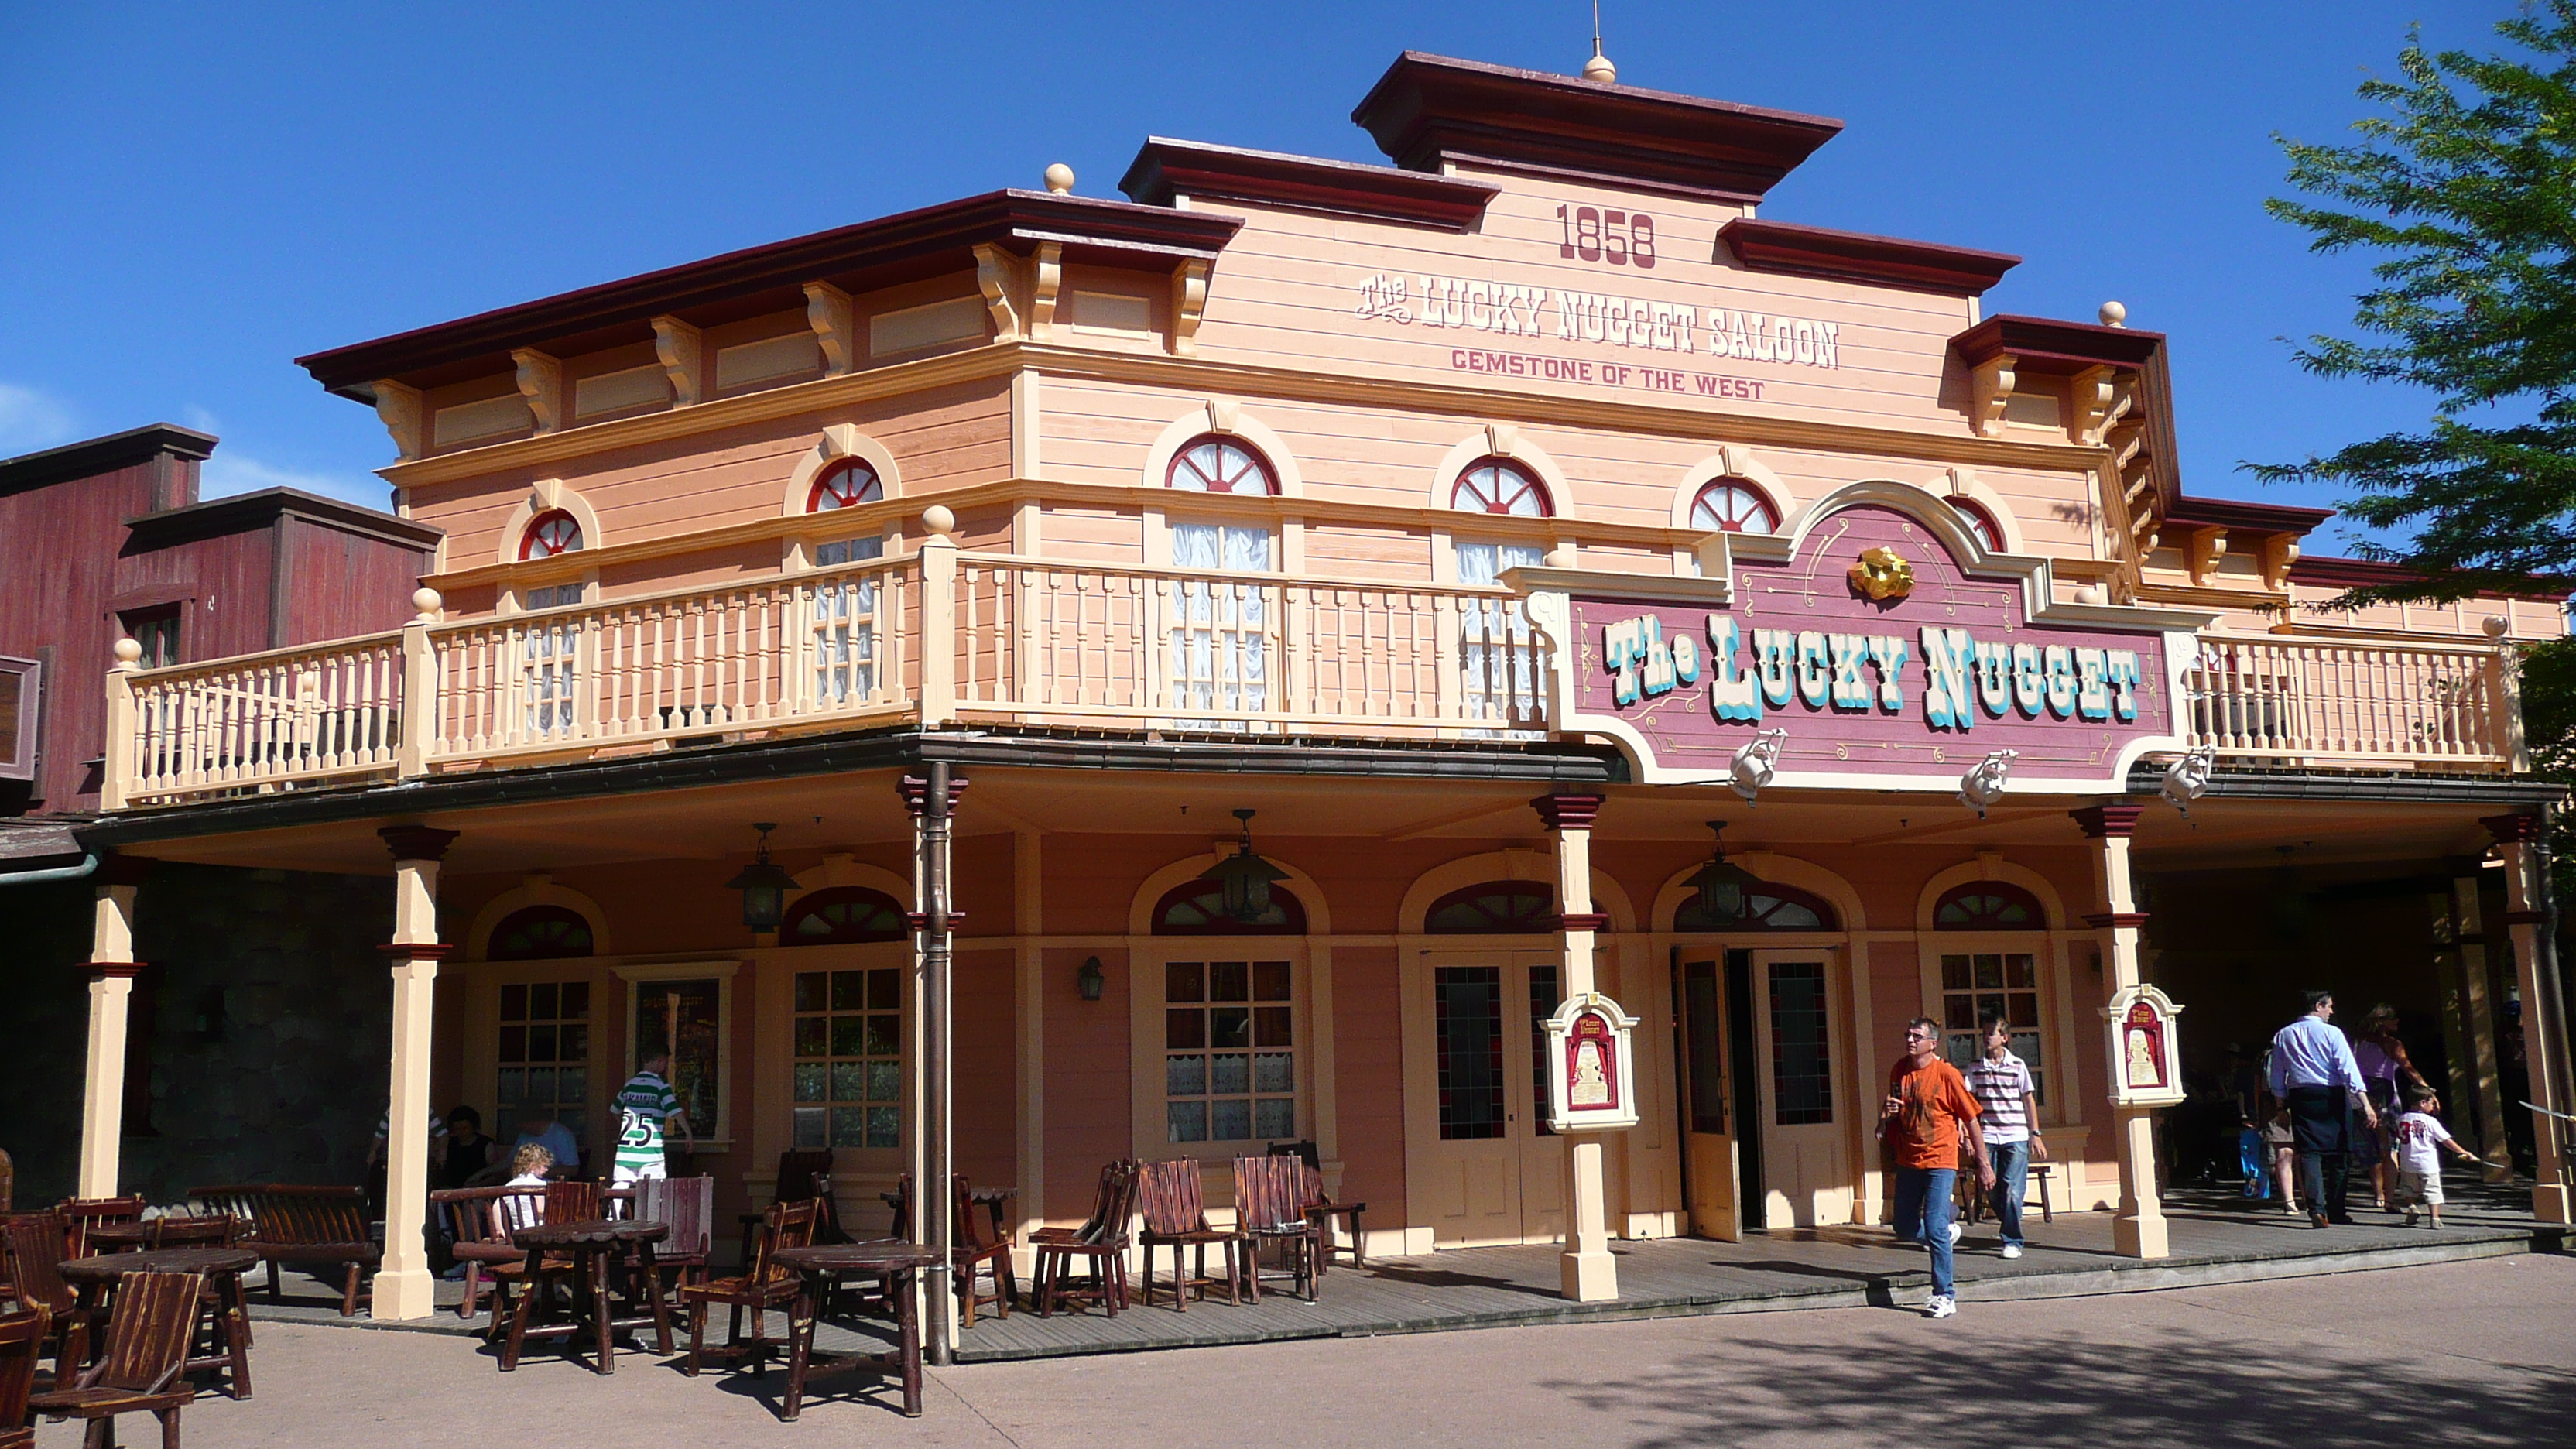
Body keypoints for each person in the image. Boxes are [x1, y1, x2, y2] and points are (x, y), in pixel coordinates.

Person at [1881, 1016, 1992, 1320]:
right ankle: (1947, 1227)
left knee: (1933, 1225)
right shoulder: (1899, 1070)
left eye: (1917, 1036)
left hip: (1940, 1158)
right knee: (1902, 1225)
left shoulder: (1947, 1074)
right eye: (1908, 1034)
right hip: (1908, 1158)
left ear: (1933, 1043)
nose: (1910, 1040)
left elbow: (1970, 1117)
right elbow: (1892, 1107)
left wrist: (1983, 1164)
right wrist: (1887, 1115)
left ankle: (1944, 1294)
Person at [2267, 989, 2377, 1228]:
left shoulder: (2283, 1035)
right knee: (2340, 1153)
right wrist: (2366, 1104)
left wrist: (2280, 1107)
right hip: (2332, 1094)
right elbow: (2348, 1068)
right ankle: (2336, 1208)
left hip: (2301, 1096)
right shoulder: (2332, 1033)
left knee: (2309, 1153)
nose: (2331, 1011)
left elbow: (2277, 1074)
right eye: (2329, 1006)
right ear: (2319, 1006)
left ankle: (2316, 1208)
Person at [1964, 1016, 2045, 1259]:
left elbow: (2028, 1099)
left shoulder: (2017, 1065)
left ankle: (2012, 1240)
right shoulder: (1976, 1066)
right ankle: (2010, 1224)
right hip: (1987, 1134)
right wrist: (1968, 1135)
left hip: (2015, 1133)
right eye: (1985, 1033)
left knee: (2012, 1189)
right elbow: (1968, 1102)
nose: (1987, 1037)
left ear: (2005, 1038)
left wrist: (2035, 1134)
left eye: (1992, 1033)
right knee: (1990, 1188)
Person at [2351, 1005, 2419, 1210]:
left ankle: (2378, 1195)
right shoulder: (2392, 1044)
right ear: (2382, 1022)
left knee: (2372, 1151)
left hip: (2363, 1098)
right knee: (2390, 1149)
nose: (2397, 1021)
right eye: (2393, 1018)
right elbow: (2408, 1069)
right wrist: (2427, 1090)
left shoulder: (2358, 1043)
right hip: (2386, 1099)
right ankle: (2389, 1197)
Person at [2391, 1085, 2484, 1228]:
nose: (2433, 1107)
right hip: (2427, 1163)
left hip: (2407, 1162)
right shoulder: (2430, 1121)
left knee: (2409, 1188)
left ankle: (2412, 1206)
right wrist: (2463, 1152)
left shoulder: (2402, 1119)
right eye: (2431, 1103)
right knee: (2432, 1190)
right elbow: (2446, 1140)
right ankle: (2435, 1218)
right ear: (2423, 1103)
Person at [611, 1051, 695, 1187]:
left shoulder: (630, 1085)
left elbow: (615, 1110)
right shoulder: (660, 1085)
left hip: (626, 1151)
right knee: (654, 1191)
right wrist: (688, 1134)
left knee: (620, 1186)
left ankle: (613, 1209)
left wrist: (623, 1127)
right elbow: (675, 1111)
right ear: (660, 1061)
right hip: (651, 1152)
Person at [510, 1107, 581, 1179]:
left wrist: (538, 1173)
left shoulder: (561, 1134)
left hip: (551, 1186)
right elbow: (511, 1160)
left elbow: (573, 1169)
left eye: (522, 1123)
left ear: (534, 1120)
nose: (519, 1127)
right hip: (523, 1184)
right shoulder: (524, 1135)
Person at [497, 1142, 553, 1233]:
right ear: (532, 1164)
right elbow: (540, 1209)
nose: (547, 1170)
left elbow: (496, 1208)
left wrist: (500, 1230)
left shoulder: (509, 1186)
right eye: (544, 1166)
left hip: (518, 1234)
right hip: (540, 1235)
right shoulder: (540, 1185)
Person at [440, 1105, 495, 1190]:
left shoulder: (486, 1144)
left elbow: (495, 1173)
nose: (462, 1132)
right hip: (450, 1192)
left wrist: (479, 1185)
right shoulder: (448, 1143)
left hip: (477, 1192)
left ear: (473, 1126)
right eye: (457, 1129)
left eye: (465, 1128)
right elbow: (441, 1168)